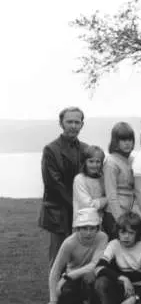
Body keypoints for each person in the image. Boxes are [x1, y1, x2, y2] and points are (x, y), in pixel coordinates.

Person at [40, 208, 108, 304]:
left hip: (87, 278)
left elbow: (96, 264)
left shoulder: (102, 237)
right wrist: (53, 301)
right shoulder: (69, 243)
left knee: (91, 275)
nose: (88, 233)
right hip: (72, 284)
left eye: (92, 228)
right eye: (84, 228)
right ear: (77, 229)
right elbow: (55, 271)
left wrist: (67, 276)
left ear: (98, 228)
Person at [39, 106, 88, 267]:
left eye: (77, 122)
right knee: (58, 257)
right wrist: (77, 205)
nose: (73, 125)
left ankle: (73, 291)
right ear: (61, 123)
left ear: (82, 124)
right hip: (59, 212)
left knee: (80, 256)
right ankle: (54, 291)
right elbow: (54, 184)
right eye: (69, 122)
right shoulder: (51, 150)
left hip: (82, 211)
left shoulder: (86, 149)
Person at [102, 122, 137, 240]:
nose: (127, 143)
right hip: (115, 215)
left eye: (130, 139)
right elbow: (111, 195)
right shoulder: (111, 162)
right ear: (115, 142)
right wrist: (120, 220)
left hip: (130, 214)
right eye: (123, 140)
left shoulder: (133, 160)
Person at [72, 145, 107, 222]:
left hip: (99, 221)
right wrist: (106, 200)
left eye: (98, 162)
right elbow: (88, 205)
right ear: (84, 162)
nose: (94, 165)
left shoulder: (102, 178)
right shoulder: (79, 179)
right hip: (82, 223)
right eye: (91, 161)